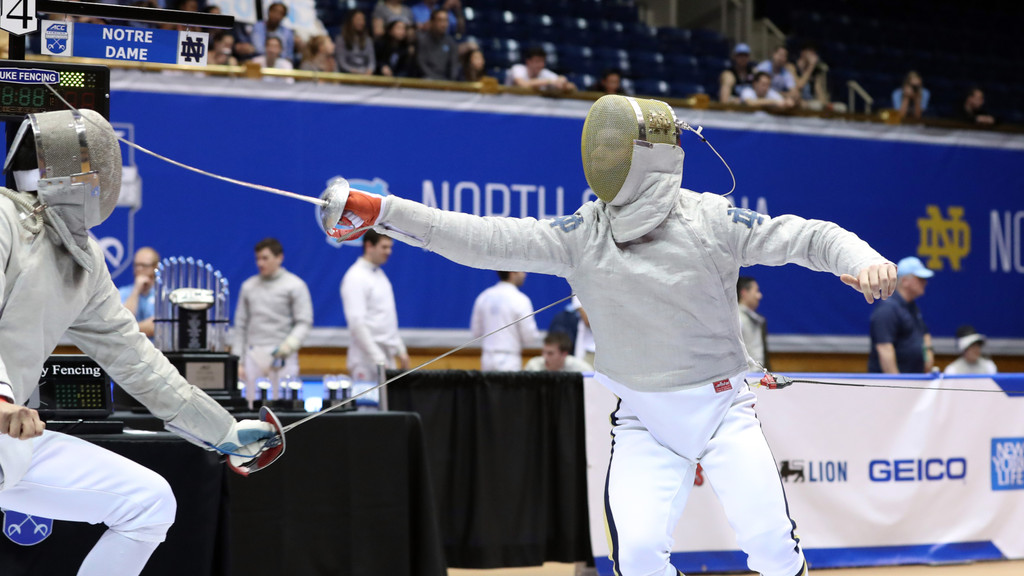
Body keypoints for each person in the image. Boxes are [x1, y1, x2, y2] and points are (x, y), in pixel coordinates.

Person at [322, 93, 897, 576]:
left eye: (615, 148)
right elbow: (481, 238)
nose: (603, 158)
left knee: (771, 547)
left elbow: (807, 236)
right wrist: (384, 210)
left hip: (723, 412)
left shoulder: (709, 219)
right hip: (643, 420)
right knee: (638, 558)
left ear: (647, 156)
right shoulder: (583, 233)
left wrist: (862, 258)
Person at [0, 109, 276, 576]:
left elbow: (134, 357)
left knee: (148, 502)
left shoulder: (84, 261)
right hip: (5, 419)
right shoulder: (4, 219)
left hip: (9, 440)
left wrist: (223, 432)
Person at [233, 238, 313, 404]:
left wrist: (289, 345)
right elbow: (240, 326)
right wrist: (238, 361)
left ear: (279, 258)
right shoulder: (248, 286)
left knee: (283, 405)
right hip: (253, 355)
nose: (260, 263)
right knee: (251, 405)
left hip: (283, 356)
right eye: (258, 259)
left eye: (265, 258)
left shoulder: (295, 285)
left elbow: (304, 321)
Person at [340, 230, 410, 382]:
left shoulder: (380, 276)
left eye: (390, 247)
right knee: (369, 399)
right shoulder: (355, 277)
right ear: (369, 246)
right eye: (384, 247)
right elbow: (356, 323)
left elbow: (387, 318)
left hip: (386, 358)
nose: (389, 252)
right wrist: (377, 357)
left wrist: (400, 350)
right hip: (366, 361)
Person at [868, 256, 933, 374]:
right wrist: (896, 382)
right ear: (905, 281)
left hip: (912, 380)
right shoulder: (887, 309)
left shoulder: (912, 307)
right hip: (890, 384)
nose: (925, 282)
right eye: (920, 279)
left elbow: (924, 335)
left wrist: (927, 356)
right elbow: (884, 348)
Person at [471, 271, 540, 371]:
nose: (525, 274)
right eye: (521, 271)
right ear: (512, 273)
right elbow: (529, 337)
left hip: (487, 359)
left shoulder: (484, 297)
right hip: (509, 360)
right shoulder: (521, 300)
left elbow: (476, 332)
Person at [118, 246, 160, 338]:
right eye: (136, 265)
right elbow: (122, 323)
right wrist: (136, 290)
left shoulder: (163, 295)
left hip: (157, 346)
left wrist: (129, 329)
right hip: (129, 345)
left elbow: (158, 327)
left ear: (155, 267)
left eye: (144, 265)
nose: (139, 269)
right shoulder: (122, 293)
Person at [506, 46, 576, 93]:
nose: (541, 65)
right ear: (528, 62)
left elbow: (572, 87)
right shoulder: (518, 68)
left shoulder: (545, 73)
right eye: (537, 61)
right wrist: (549, 81)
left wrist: (563, 83)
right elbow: (523, 84)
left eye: (543, 61)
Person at [416, 8, 459, 80]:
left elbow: (454, 66)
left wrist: (451, 80)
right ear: (432, 22)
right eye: (440, 20)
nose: (444, 24)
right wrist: (435, 80)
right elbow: (421, 64)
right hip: (427, 79)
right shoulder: (422, 41)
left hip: (445, 81)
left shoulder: (451, 42)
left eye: (446, 20)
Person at [737, 276, 769, 371]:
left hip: (757, 375)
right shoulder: (737, 319)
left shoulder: (756, 319)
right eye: (756, 291)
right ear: (744, 293)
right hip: (747, 376)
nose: (759, 296)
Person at [524, 331, 593, 372]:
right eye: (543, 352)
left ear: (564, 354)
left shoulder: (582, 370)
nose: (545, 357)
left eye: (550, 353)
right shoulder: (533, 367)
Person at [334, 10, 375, 75]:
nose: (361, 22)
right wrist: (354, 72)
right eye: (358, 19)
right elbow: (341, 62)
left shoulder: (368, 40)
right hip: (348, 75)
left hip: (366, 75)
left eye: (363, 19)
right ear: (350, 21)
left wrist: (369, 71)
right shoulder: (340, 40)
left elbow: (372, 62)